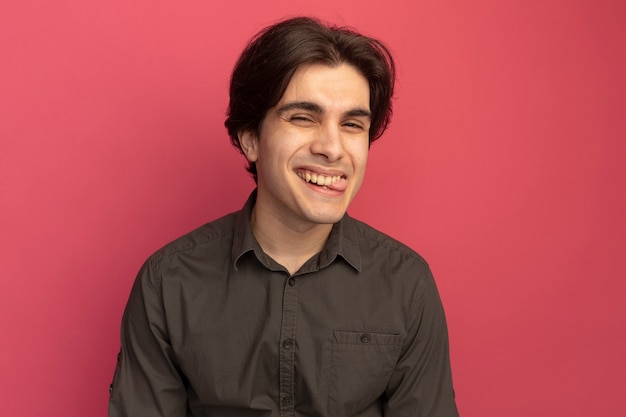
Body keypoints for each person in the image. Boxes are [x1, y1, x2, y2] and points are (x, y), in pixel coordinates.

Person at [108, 16, 459, 417]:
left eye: (352, 125)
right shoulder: (167, 283)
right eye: (303, 118)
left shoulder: (407, 285)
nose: (332, 147)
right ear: (250, 138)